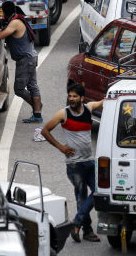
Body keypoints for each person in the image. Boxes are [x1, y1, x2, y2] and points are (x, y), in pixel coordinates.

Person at [40, 84, 104, 243]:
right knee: (82, 198)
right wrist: (60, 147)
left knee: (100, 191)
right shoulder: (63, 114)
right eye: (70, 96)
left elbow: (104, 101)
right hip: (75, 165)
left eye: (75, 96)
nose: (71, 99)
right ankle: (87, 232)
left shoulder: (89, 109)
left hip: (89, 161)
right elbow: (44, 131)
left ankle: (77, 222)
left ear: (82, 98)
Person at [0, 1, 42, 123]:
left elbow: (0, 35)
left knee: (19, 89)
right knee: (32, 86)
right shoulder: (16, 19)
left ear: (4, 12)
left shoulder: (15, 22)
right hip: (31, 57)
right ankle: (37, 115)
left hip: (25, 60)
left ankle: (37, 107)